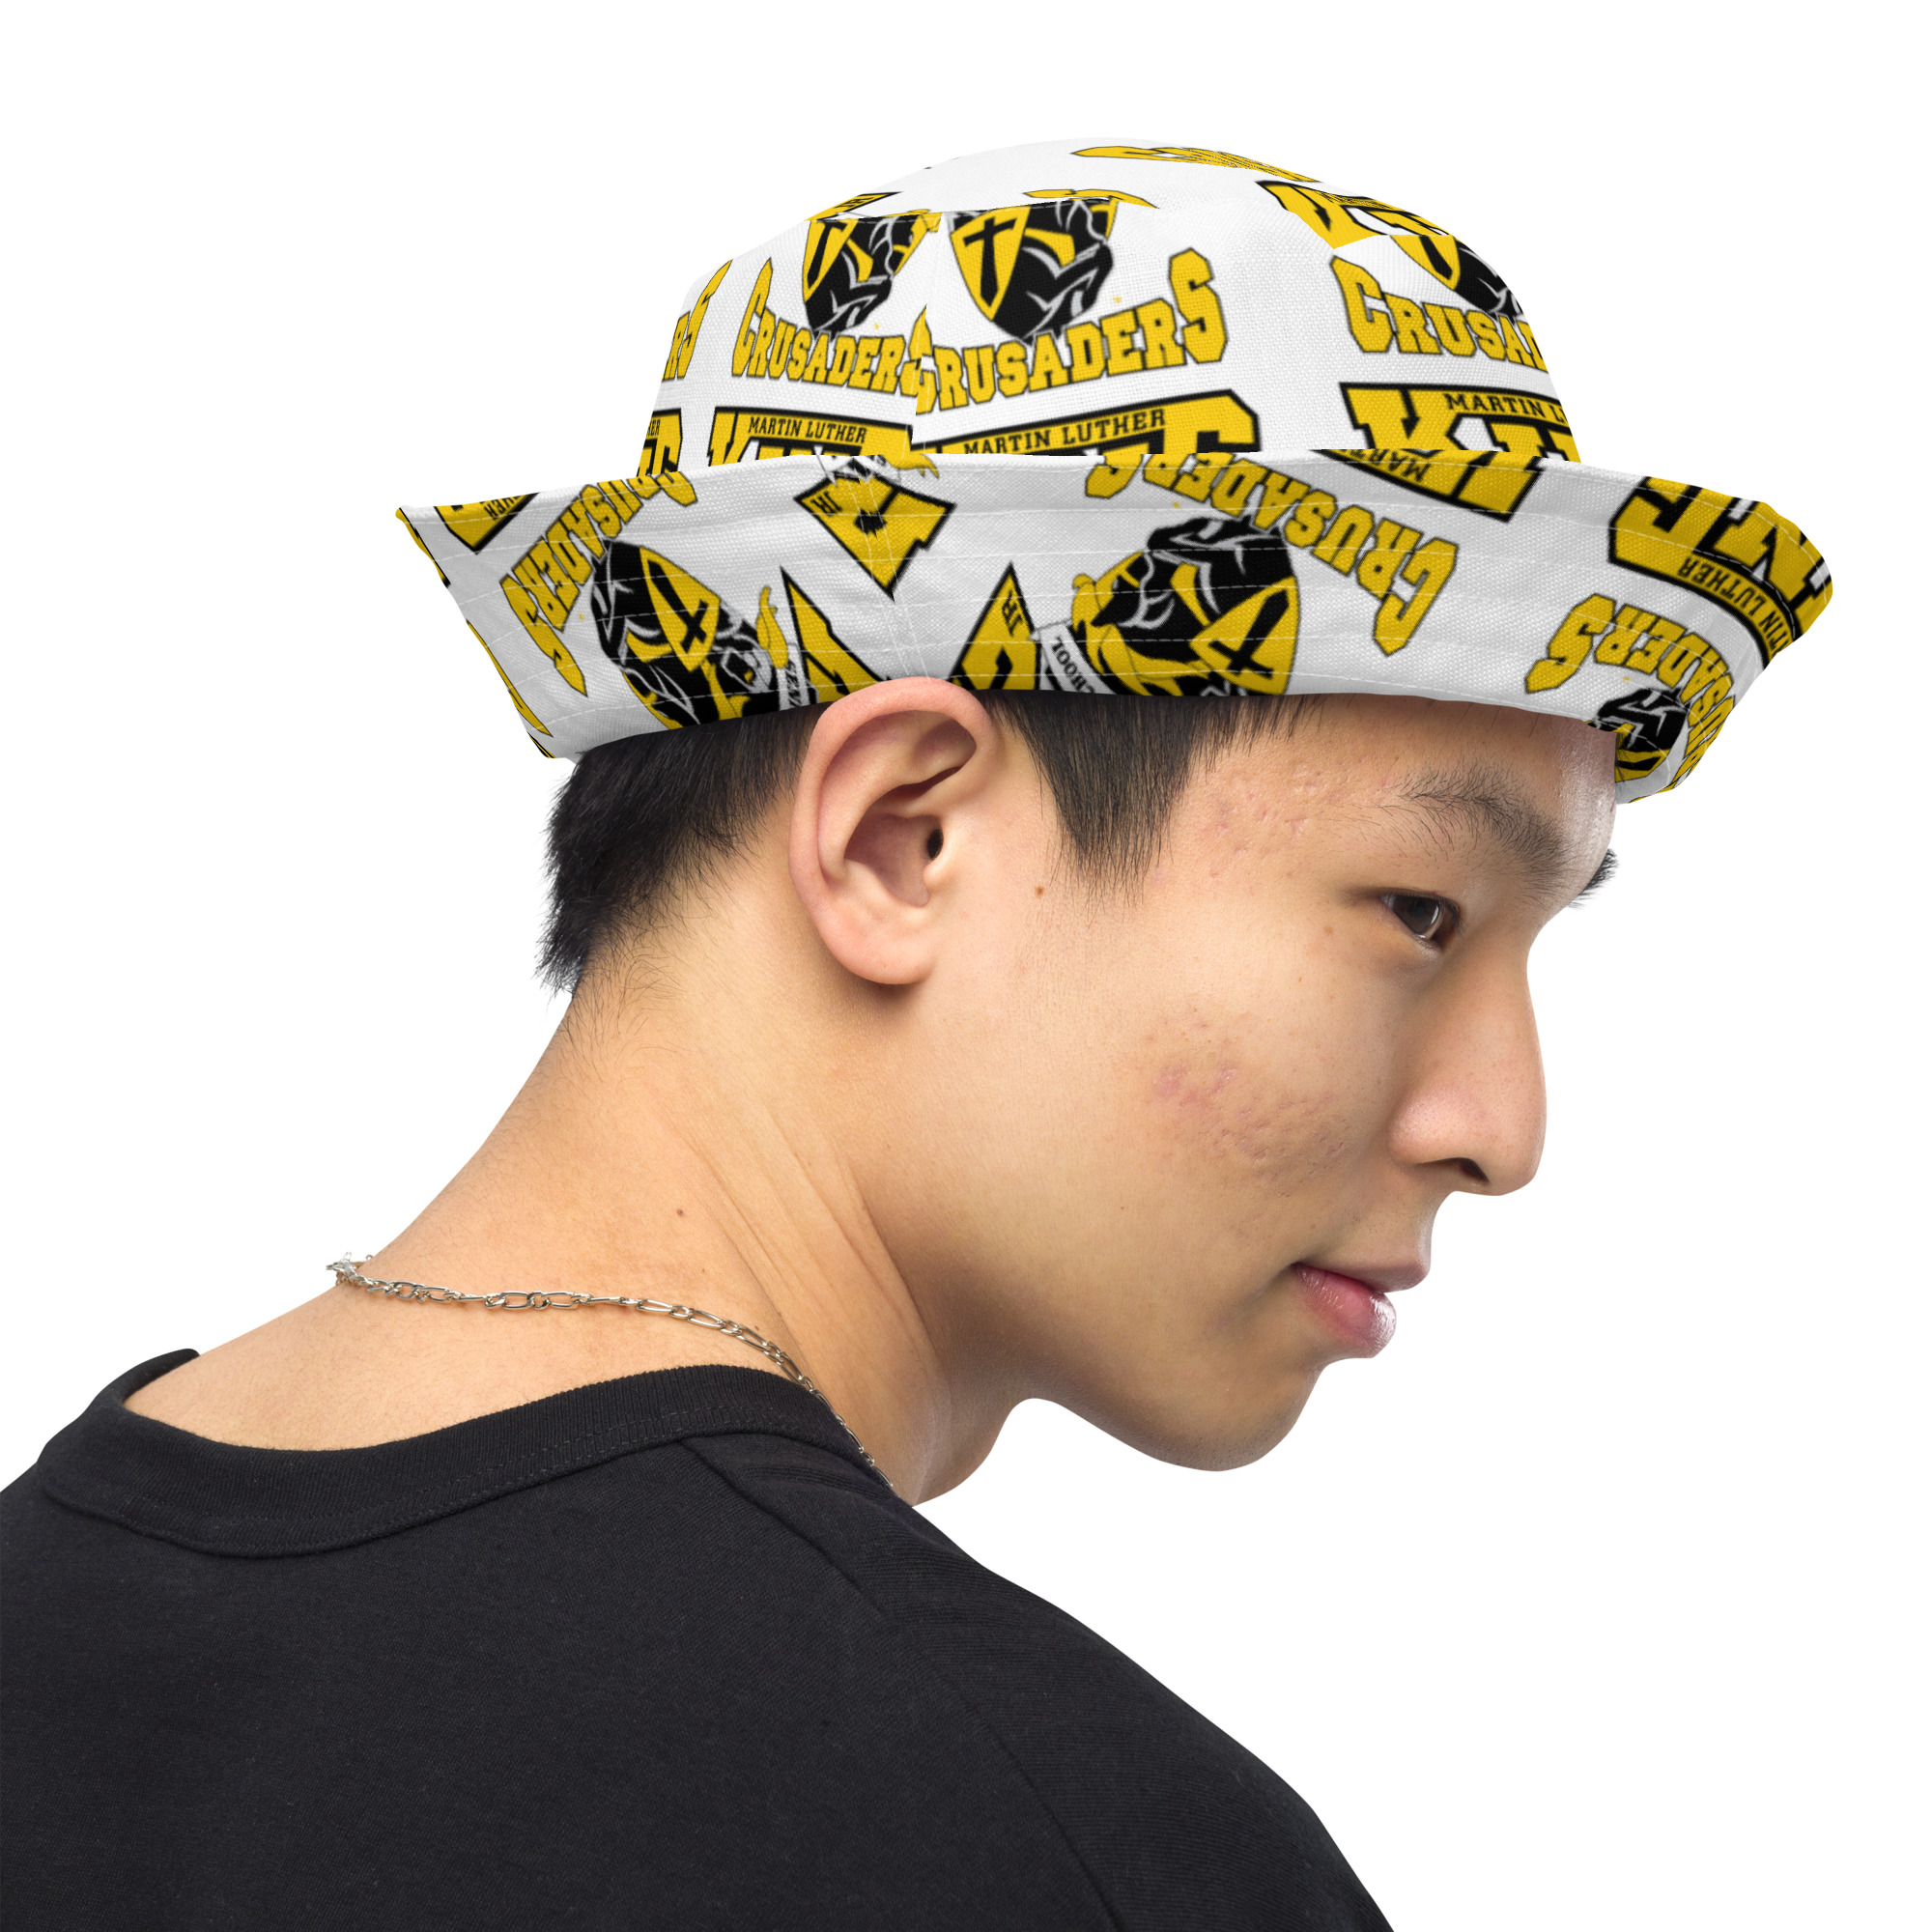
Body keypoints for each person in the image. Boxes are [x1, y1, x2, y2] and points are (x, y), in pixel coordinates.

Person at [1, 139, 1831, 1928]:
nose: (1504, 1128)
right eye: (1421, 913)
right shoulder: (1062, 1847)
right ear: (903, 838)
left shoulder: (48, 1597)